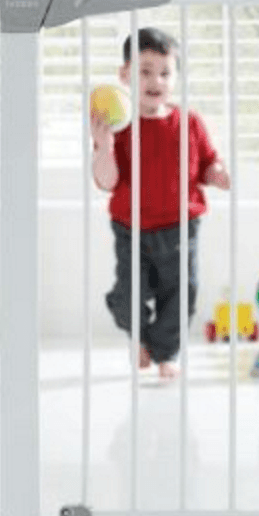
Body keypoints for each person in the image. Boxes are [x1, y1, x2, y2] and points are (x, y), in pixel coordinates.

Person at [91, 27, 231, 379]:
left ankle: (166, 352)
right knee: (129, 293)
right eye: (145, 71)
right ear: (125, 75)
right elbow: (106, 181)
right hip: (131, 228)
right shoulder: (119, 126)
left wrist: (216, 173)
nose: (156, 81)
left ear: (176, 77)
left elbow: (207, 163)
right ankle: (137, 333)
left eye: (165, 73)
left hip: (180, 226)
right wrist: (104, 147)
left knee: (182, 292)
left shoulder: (189, 122)